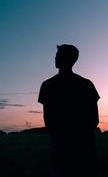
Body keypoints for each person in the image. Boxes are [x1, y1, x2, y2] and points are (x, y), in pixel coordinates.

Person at [38, 44, 100, 177]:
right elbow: (94, 119)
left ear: (67, 59)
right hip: (84, 145)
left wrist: (60, 139)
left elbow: (48, 119)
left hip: (63, 145)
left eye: (58, 56)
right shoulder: (86, 84)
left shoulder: (48, 85)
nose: (55, 58)